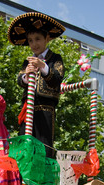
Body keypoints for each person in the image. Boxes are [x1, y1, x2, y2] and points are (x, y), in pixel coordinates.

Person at [8, 12, 65, 158]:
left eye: (38, 39)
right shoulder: (27, 62)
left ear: (47, 38)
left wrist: (43, 67)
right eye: (31, 40)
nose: (34, 44)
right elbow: (20, 80)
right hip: (28, 107)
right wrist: (27, 74)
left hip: (46, 108)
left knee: (43, 142)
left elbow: (57, 78)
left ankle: (42, 177)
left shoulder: (55, 58)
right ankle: (23, 175)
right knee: (25, 141)